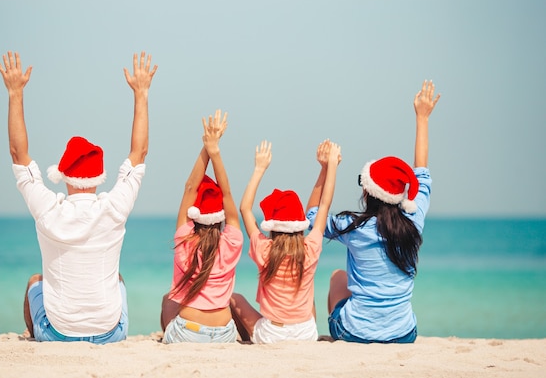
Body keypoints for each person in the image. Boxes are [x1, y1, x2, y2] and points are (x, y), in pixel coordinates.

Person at [0, 50, 158, 344]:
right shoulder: (114, 207)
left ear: (64, 175)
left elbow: (18, 156)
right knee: (117, 281)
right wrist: (141, 93)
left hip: (57, 333)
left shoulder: (48, 209)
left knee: (35, 282)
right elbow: (139, 153)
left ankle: (37, 335)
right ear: (99, 176)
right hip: (111, 333)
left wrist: (15, 92)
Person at [306, 80, 440, 344]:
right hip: (404, 334)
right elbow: (421, 172)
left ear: (367, 192)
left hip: (354, 333)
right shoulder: (414, 220)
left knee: (337, 277)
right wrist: (422, 118)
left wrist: (325, 169)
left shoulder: (354, 227)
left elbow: (313, 218)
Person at [230, 139, 341, 343]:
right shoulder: (310, 248)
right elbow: (324, 205)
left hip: (273, 333)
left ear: (272, 226)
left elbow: (245, 208)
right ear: (299, 224)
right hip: (307, 332)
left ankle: (249, 339)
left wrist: (259, 168)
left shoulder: (264, 249)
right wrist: (329, 167)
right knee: (308, 292)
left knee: (235, 298)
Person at [160, 110, 244, 344]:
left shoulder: (185, 239)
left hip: (188, 332)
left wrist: (206, 149)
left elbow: (190, 188)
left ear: (193, 215)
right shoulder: (232, 242)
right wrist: (215, 151)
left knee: (168, 300)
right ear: (220, 216)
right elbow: (227, 194)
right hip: (225, 333)